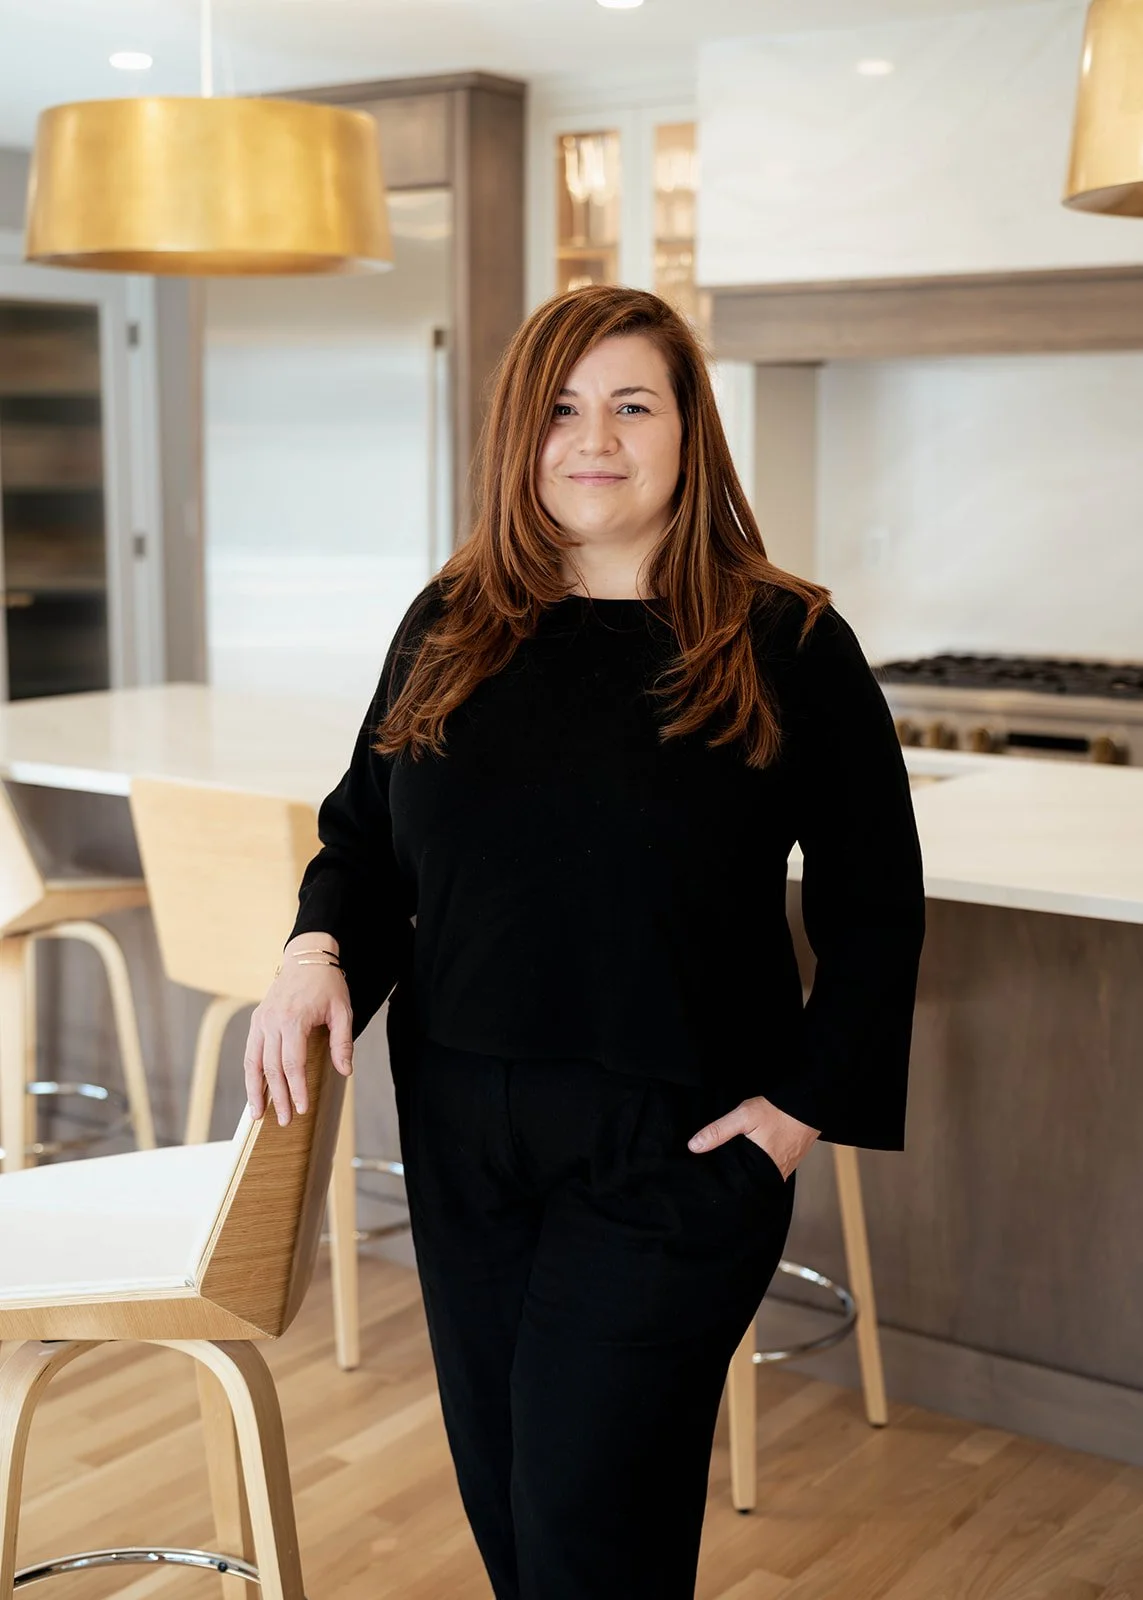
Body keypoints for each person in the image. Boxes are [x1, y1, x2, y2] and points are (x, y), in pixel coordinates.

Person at [243, 284, 926, 1600]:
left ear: (687, 433)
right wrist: (314, 950)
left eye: (630, 405)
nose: (593, 436)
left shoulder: (784, 639)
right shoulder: (453, 619)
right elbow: (367, 841)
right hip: (463, 1130)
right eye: (561, 408)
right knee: (515, 1496)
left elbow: (874, 903)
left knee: (580, 1520)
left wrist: (793, 1114)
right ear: (521, 433)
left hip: (676, 1144)